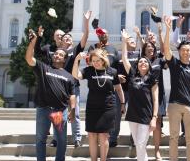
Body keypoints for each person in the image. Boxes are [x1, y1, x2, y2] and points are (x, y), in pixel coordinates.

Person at [35, 11, 91, 148]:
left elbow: (85, 37)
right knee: (57, 114)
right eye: (65, 37)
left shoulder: (74, 51)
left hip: (72, 88)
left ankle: (77, 138)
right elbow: (39, 52)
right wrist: (39, 37)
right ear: (60, 41)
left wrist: (86, 23)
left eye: (69, 38)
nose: (67, 39)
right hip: (57, 88)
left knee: (74, 113)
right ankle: (56, 138)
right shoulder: (57, 54)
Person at [25, 29, 75, 161]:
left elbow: (72, 95)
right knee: (40, 139)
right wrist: (33, 42)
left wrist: (73, 110)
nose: (57, 55)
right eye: (56, 54)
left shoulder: (68, 76)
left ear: (64, 59)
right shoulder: (44, 68)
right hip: (44, 109)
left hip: (58, 112)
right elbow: (29, 59)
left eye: (60, 55)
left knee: (61, 140)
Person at [72, 49, 125, 161]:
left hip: (108, 108)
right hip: (92, 108)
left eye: (98, 60)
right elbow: (75, 75)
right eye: (93, 60)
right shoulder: (88, 70)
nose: (96, 63)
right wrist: (76, 60)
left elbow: (119, 89)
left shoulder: (112, 71)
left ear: (103, 60)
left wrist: (123, 103)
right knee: (91, 135)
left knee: (103, 135)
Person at [163, 16, 190, 161]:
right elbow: (166, 48)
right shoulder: (174, 64)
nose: (186, 52)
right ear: (179, 52)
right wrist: (168, 30)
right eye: (183, 50)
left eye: (188, 50)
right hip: (174, 105)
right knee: (173, 137)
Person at [121, 29, 159, 161]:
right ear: (137, 65)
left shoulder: (152, 79)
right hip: (132, 114)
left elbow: (155, 99)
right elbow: (124, 58)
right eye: (140, 62)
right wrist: (124, 41)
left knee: (141, 144)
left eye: (145, 62)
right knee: (138, 144)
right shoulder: (132, 75)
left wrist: (154, 118)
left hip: (145, 115)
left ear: (149, 66)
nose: (143, 63)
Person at [141, 40, 166, 160]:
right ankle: (142, 150)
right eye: (148, 47)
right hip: (144, 95)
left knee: (157, 123)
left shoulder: (159, 60)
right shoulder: (141, 61)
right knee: (144, 124)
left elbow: (166, 57)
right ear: (144, 49)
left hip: (158, 95)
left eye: (152, 47)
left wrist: (162, 33)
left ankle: (157, 151)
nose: (150, 49)